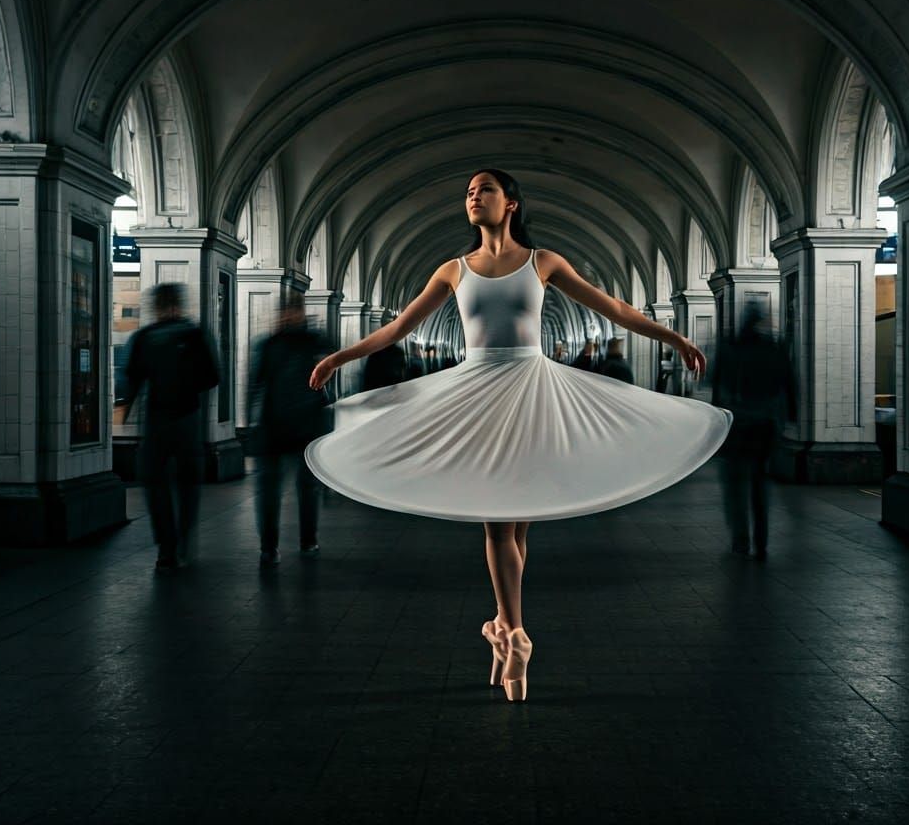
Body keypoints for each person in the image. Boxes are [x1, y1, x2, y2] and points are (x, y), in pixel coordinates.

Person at [306, 169, 731, 701]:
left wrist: (674, 337)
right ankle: (507, 628)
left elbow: (615, 308)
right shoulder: (453, 270)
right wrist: (338, 357)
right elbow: (398, 328)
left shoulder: (543, 262)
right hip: (478, 396)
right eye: (468, 192)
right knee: (503, 523)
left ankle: (513, 633)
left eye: (484, 189)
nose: (473, 197)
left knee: (508, 523)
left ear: (510, 203)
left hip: (531, 393)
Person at [123, 283, 219, 573]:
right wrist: (188, 385)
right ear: (179, 305)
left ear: (156, 307)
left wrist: (127, 410)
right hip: (187, 416)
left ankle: (166, 546)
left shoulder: (144, 337)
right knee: (188, 483)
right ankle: (184, 541)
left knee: (155, 483)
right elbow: (212, 376)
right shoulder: (194, 335)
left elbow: (133, 377)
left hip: (156, 418)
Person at [247, 293, 331, 567]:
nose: (288, 316)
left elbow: (256, 384)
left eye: (292, 311)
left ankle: (301, 541)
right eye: (286, 311)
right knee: (283, 490)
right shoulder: (301, 342)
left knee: (297, 488)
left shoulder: (290, 342)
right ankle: (272, 546)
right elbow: (256, 384)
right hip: (281, 427)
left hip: (298, 426)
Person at [711, 304, 796, 560]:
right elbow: (789, 385)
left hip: (738, 425)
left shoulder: (730, 348)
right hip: (765, 426)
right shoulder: (775, 349)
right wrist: (789, 417)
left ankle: (740, 541)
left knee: (735, 486)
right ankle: (761, 540)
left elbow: (717, 386)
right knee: (760, 484)